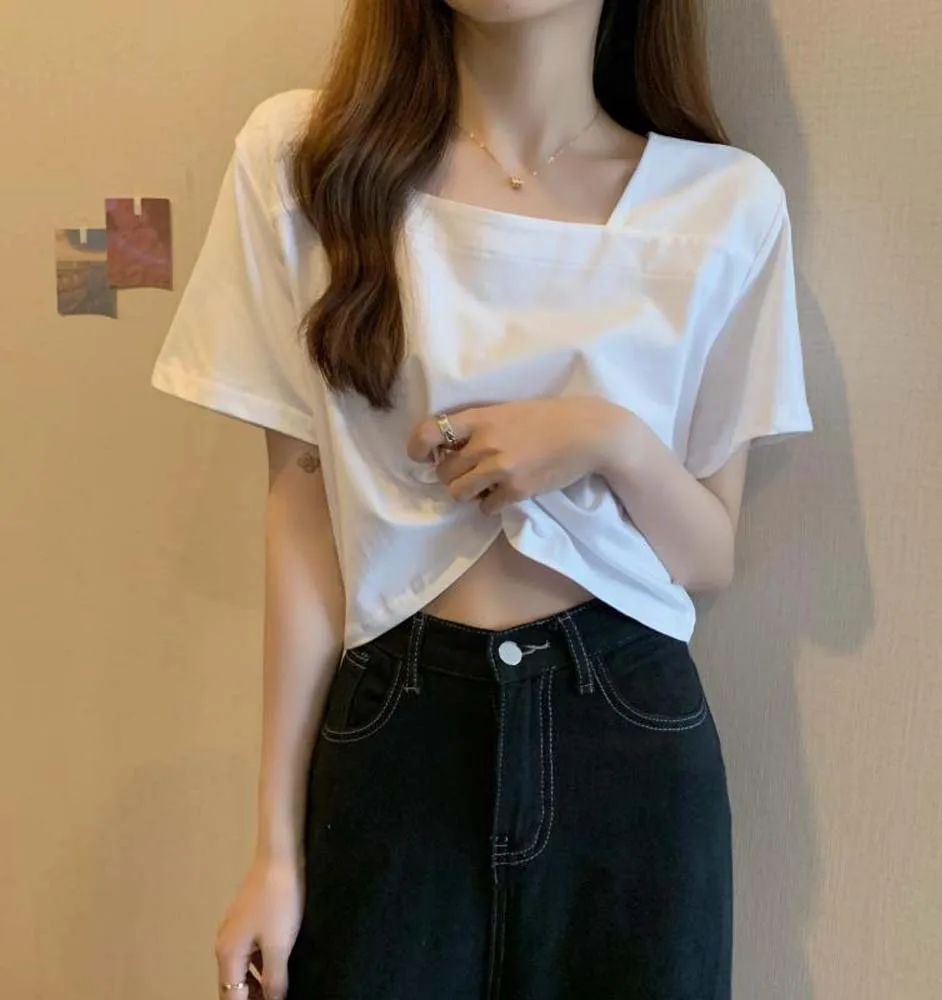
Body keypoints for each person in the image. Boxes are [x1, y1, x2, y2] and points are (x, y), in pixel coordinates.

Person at [150, 1, 813, 997]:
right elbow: (300, 505)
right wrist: (276, 852)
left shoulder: (723, 205)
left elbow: (708, 556)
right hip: (395, 722)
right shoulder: (305, 164)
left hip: (626, 733)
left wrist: (607, 438)